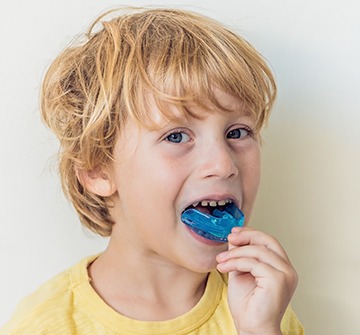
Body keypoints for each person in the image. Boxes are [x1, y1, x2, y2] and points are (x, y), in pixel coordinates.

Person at [1, 7, 304, 335]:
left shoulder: (258, 307)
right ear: (98, 170)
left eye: (237, 133)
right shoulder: (46, 325)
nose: (223, 164)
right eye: (176, 136)